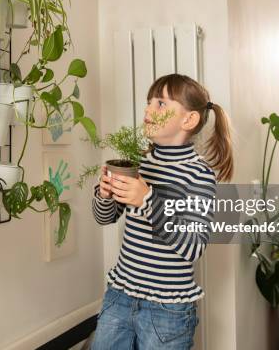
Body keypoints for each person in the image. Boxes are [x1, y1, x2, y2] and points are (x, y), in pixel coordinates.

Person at [91, 73, 234, 349]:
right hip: (119, 296)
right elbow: (104, 217)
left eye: (160, 103)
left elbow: (193, 247)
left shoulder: (198, 175)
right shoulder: (139, 164)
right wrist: (105, 194)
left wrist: (147, 200)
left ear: (189, 120)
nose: (148, 109)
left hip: (167, 310)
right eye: (148, 102)